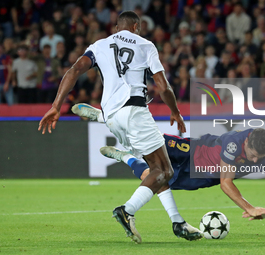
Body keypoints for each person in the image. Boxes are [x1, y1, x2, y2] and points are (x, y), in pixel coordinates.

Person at [38, 11, 201, 244]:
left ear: (117, 28)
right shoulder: (146, 45)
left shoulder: (100, 45)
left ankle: (177, 222)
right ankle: (127, 209)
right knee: (164, 170)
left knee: (154, 171)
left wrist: (56, 106)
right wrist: (175, 111)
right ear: (136, 26)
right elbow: (162, 86)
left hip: (114, 117)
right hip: (134, 111)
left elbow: (73, 71)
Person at [71, 109, 265, 222]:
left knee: (150, 180)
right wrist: (250, 207)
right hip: (190, 150)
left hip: (200, 177)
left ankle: (125, 158)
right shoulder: (235, 142)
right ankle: (103, 117)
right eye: (251, 155)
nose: (253, 161)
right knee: (146, 140)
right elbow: (226, 183)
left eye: (258, 158)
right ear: (247, 142)